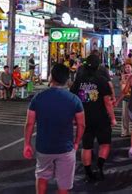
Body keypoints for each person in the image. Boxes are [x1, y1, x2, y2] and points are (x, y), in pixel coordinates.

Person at [23, 64, 85, 194]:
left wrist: (27, 144)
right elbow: (81, 124)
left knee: (42, 177)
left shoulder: (38, 98)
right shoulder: (74, 100)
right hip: (66, 148)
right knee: (63, 186)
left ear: (51, 77)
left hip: (44, 148)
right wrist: (76, 143)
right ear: (67, 80)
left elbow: (29, 123)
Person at [70, 54, 116, 182]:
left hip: (84, 118)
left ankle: (88, 172)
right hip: (101, 117)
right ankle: (100, 166)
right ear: (98, 66)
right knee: (105, 144)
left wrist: (73, 116)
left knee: (87, 146)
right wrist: (112, 118)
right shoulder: (101, 80)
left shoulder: (79, 80)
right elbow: (107, 102)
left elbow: (72, 98)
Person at [120, 62, 132, 137]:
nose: (127, 69)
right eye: (126, 67)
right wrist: (124, 80)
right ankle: (125, 131)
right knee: (125, 116)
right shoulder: (123, 77)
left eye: (129, 67)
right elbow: (123, 89)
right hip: (126, 98)